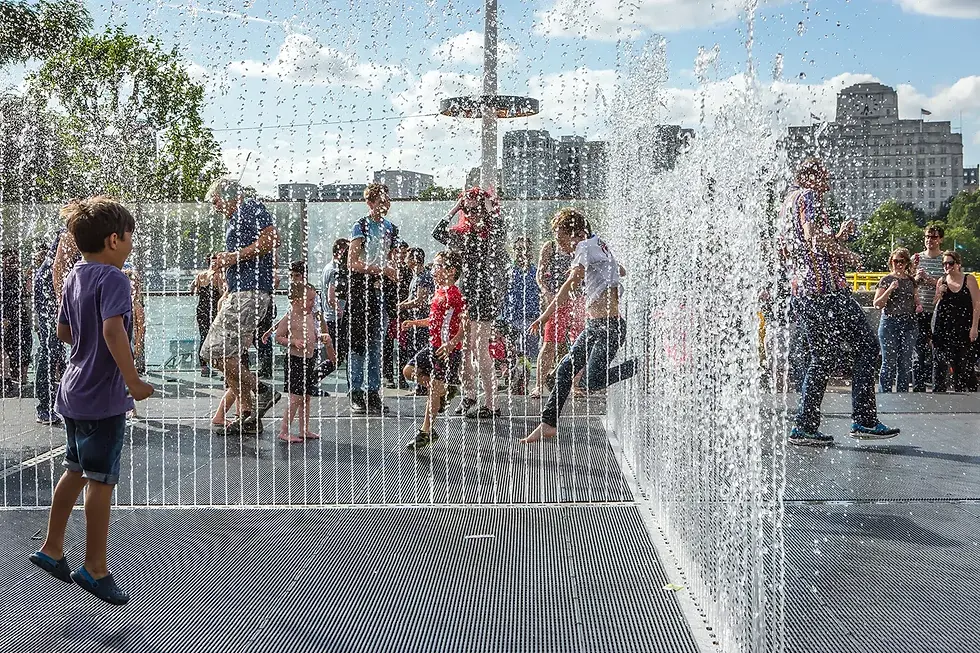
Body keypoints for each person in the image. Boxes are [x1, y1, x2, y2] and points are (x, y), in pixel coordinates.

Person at [29, 196, 154, 606]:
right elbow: (113, 332)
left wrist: (89, 340)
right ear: (115, 239)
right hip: (103, 396)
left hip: (73, 389)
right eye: (130, 237)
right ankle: (95, 568)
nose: (133, 244)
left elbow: (66, 332)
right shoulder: (115, 278)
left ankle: (52, 546)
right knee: (101, 481)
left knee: (75, 470)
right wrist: (133, 381)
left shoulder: (74, 275)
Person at [778, 158, 899, 446]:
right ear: (811, 177)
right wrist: (847, 254)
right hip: (827, 291)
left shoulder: (786, 203)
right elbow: (813, 238)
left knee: (822, 357)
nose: (828, 182)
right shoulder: (809, 196)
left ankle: (805, 426)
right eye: (824, 176)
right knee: (868, 348)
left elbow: (794, 248)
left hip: (805, 292)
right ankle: (864, 420)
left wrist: (839, 238)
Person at [522, 209, 637, 444]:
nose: (559, 244)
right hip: (595, 326)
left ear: (579, 234)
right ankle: (548, 424)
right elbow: (621, 270)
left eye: (561, 238)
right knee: (565, 370)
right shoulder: (597, 245)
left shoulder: (585, 247)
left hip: (610, 327)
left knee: (591, 381)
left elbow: (567, 287)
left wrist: (544, 316)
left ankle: (640, 365)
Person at [199, 178, 282, 436]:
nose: (215, 208)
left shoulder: (250, 207)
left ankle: (262, 390)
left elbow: (271, 240)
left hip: (250, 293)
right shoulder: (235, 219)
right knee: (229, 355)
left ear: (229, 195)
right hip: (242, 292)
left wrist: (231, 257)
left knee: (212, 351)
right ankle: (249, 416)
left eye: (215, 201)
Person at [433, 187, 507, 419]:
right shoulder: (461, 233)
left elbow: (501, 227)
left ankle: (492, 403)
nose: (472, 214)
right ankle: (469, 395)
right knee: (465, 348)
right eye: (468, 210)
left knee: (480, 349)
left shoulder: (491, 232)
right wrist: (455, 208)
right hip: (466, 293)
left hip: (484, 293)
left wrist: (488, 207)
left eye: (476, 210)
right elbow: (437, 232)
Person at [401, 251, 466, 450]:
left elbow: (466, 324)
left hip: (447, 351)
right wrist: (415, 323)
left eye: (438, 266)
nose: (433, 269)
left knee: (433, 393)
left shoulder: (455, 294)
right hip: (433, 346)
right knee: (408, 371)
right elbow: (435, 321)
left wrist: (452, 343)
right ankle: (444, 391)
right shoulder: (439, 291)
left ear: (451, 270)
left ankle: (426, 431)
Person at [346, 183, 400, 415]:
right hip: (361, 291)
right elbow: (352, 262)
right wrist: (380, 270)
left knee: (377, 345)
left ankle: (374, 393)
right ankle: (356, 393)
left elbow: (393, 259)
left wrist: (393, 270)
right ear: (370, 203)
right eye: (380, 201)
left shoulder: (391, 228)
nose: (384, 205)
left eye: (386, 201)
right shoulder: (361, 226)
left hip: (381, 292)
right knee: (359, 344)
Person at [267, 281, 336, 443]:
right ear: (297, 300)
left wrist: (321, 337)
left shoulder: (309, 316)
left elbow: (313, 333)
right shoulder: (289, 317)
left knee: (306, 397)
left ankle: (304, 429)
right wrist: (293, 342)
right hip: (295, 361)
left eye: (314, 300)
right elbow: (278, 337)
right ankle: (284, 431)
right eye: (310, 300)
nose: (314, 303)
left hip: (309, 359)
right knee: (295, 398)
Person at [32, 227, 80, 426]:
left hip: (61, 290)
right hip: (49, 291)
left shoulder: (90, 231)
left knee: (59, 348)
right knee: (51, 346)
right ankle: (44, 406)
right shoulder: (71, 233)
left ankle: (64, 400)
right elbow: (58, 269)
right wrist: (62, 304)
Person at [533, 237, 584, 397]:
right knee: (549, 344)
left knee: (579, 344)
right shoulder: (551, 246)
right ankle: (539, 386)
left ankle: (575, 386)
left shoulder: (580, 245)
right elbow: (539, 275)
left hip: (579, 299)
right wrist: (545, 292)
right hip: (557, 300)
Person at [932, 250, 980, 392]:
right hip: (945, 327)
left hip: (964, 326)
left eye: (950, 263)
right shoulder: (942, 281)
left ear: (958, 264)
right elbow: (935, 303)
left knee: (964, 362)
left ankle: (968, 391)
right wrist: (939, 292)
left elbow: (977, 303)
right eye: (944, 263)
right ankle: (939, 391)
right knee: (941, 360)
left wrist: (974, 327)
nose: (947, 266)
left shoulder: (968, 279)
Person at [873, 247, 918, 393]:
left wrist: (918, 305)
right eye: (895, 261)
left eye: (902, 261)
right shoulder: (886, 280)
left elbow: (915, 300)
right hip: (890, 323)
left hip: (909, 323)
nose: (898, 264)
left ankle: (902, 394)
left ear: (906, 263)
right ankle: (885, 394)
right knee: (889, 361)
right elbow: (877, 304)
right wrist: (890, 289)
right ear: (891, 262)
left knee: (905, 363)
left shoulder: (911, 280)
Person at [501, 237, 540, 395]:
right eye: (518, 249)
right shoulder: (508, 271)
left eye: (525, 249)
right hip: (511, 319)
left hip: (531, 320)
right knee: (513, 353)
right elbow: (501, 295)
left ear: (530, 252)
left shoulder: (536, 272)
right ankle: (513, 382)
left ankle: (522, 384)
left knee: (526, 355)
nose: (521, 252)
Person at [911, 224, 946, 391]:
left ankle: (938, 386)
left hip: (938, 310)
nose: (930, 240)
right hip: (920, 310)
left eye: (934, 237)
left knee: (939, 349)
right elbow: (908, 282)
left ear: (940, 239)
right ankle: (918, 386)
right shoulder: (916, 258)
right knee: (918, 350)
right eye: (927, 236)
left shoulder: (946, 259)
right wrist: (917, 277)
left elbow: (947, 283)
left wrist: (929, 278)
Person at [397, 247, 435, 393]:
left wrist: (402, 306)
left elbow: (420, 301)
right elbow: (412, 297)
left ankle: (424, 386)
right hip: (415, 321)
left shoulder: (424, 277)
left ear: (414, 260)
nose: (404, 260)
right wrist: (402, 304)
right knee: (414, 351)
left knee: (420, 353)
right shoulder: (415, 276)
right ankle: (420, 386)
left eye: (407, 257)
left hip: (422, 322)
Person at [1, 248, 32, 392]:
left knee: (25, 346)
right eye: (10, 261)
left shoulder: (20, 278)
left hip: (20, 318)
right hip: (5, 318)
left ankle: (22, 379)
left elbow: (26, 295)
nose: (13, 264)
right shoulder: (2, 279)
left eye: (15, 262)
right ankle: (6, 379)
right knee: (5, 348)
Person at [191, 253, 226, 376]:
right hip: (214, 310)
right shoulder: (219, 276)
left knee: (203, 336)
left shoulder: (201, 275)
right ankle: (220, 365)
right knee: (218, 337)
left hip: (201, 309)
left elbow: (192, 290)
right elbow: (223, 293)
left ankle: (203, 367)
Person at [321, 238, 350, 370]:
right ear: (341, 252)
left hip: (329, 317)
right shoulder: (336, 271)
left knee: (335, 355)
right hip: (336, 319)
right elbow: (330, 298)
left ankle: (312, 379)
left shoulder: (327, 267)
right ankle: (313, 379)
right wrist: (341, 311)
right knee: (337, 357)